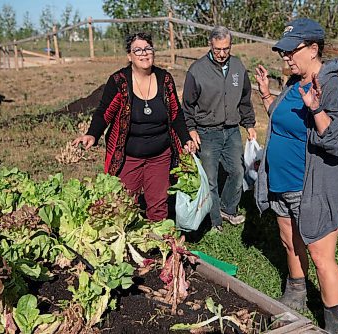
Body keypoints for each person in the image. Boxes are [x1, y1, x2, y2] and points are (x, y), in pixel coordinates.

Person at [254, 18, 338, 334]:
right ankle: (296, 292)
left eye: (291, 51)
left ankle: (335, 324)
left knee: (321, 256)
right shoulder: (292, 83)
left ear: (313, 49)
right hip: (282, 182)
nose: (285, 58)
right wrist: (267, 97)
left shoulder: (331, 87)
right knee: (289, 241)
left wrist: (315, 108)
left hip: (310, 186)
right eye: (282, 52)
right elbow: (285, 122)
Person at [72, 32, 194, 222]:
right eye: (138, 50)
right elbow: (105, 111)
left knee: (158, 204)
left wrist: (186, 139)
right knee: (124, 203)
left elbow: (176, 113)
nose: (144, 54)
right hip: (128, 156)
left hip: (160, 155)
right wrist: (92, 134)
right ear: (129, 56)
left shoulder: (165, 79)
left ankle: (159, 245)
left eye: (147, 48)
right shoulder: (119, 81)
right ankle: (126, 242)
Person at [182, 26, 256, 231]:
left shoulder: (238, 67)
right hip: (207, 132)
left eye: (226, 49)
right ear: (210, 45)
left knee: (237, 172)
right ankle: (215, 221)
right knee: (211, 179)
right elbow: (187, 105)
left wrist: (248, 124)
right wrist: (191, 129)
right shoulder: (197, 71)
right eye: (217, 50)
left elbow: (245, 99)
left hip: (231, 129)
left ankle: (227, 209)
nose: (222, 54)